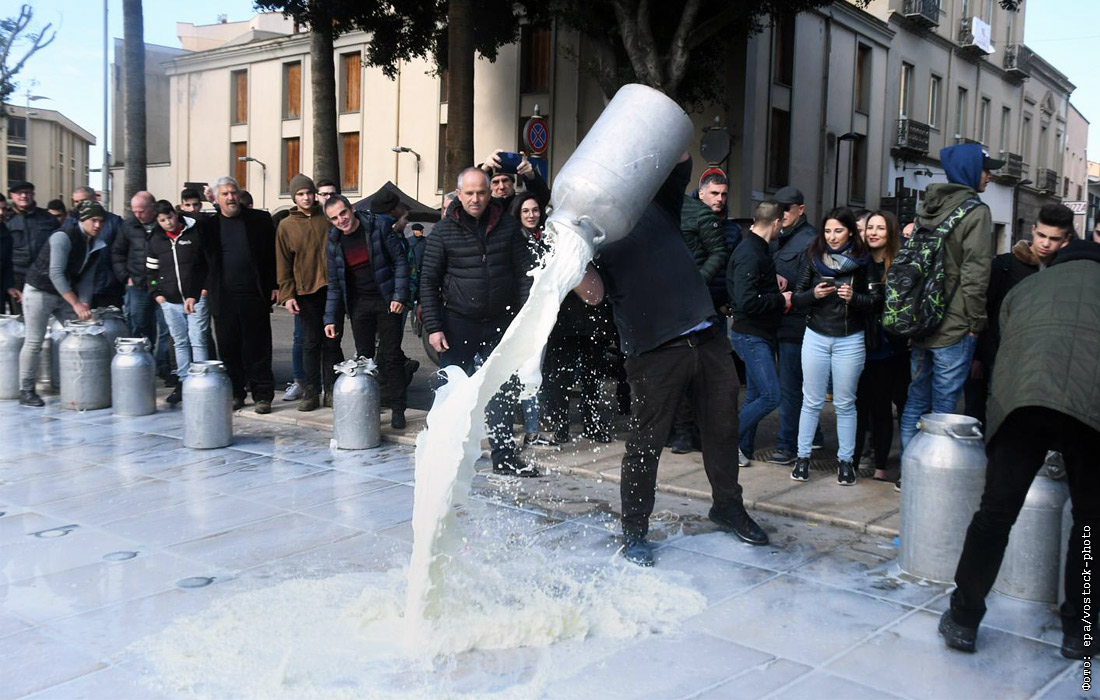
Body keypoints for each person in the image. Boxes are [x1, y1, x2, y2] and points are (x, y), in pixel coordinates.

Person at [584, 154, 768, 567]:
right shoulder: (591, 231)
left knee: (722, 432)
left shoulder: (656, 203)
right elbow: (594, 295)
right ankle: (634, 530)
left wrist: (643, 130)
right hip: (653, 351)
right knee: (646, 445)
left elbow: (678, 155)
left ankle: (727, 507)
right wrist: (569, 254)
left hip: (706, 338)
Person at [938, 238, 1100, 660]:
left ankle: (964, 620)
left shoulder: (1028, 286)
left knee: (995, 513)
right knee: (1090, 523)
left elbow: (1004, 342)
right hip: (1090, 410)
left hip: (1021, 405)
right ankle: (1080, 631)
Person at [420, 167, 534, 473]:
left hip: (500, 322)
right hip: (458, 323)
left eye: (481, 192)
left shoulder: (507, 226)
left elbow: (524, 273)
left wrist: (523, 316)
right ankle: (444, 455)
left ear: (489, 193)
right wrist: (434, 327)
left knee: (502, 389)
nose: (475, 199)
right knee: (452, 393)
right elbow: (428, 281)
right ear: (459, 194)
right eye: (469, 193)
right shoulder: (443, 231)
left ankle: (504, 456)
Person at [898, 144, 997, 451]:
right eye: (986, 170)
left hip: (920, 320)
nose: (989, 176)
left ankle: (910, 468)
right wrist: (975, 323)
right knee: (944, 406)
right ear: (970, 170)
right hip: (954, 325)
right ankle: (933, 471)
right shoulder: (976, 212)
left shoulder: (928, 207)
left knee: (916, 399)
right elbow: (975, 274)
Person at [789, 208, 876, 485]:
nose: (832, 236)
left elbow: (876, 301)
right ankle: (802, 458)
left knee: (845, 403)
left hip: (850, 338)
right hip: (816, 335)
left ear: (850, 231)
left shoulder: (863, 260)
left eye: (838, 230)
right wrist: (813, 294)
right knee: (811, 401)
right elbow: (797, 298)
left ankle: (846, 463)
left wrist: (854, 297)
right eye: (827, 231)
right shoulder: (813, 256)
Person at [965, 203, 1072, 425]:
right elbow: (985, 310)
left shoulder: (1064, 271)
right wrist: (977, 357)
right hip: (994, 354)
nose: (1045, 243)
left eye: (1054, 239)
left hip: (1036, 362)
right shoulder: (1005, 265)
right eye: (1041, 235)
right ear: (1033, 230)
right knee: (978, 416)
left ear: (1066, 239)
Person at [323, 195, 411, 428]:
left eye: (343, 213)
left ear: (351, 209)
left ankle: (398, 409)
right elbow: (334, 283)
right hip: (359, 304)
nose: (341, 220)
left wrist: (399, 296)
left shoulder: (378, 226)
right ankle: (368, 406)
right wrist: (330, 318)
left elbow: (400, 261)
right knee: (364, 359)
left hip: (386, 300)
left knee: (391, 356)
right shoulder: (333, 242)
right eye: (334, 218)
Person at [197, 176, 277, 413]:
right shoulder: (208, 226)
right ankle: (236, 393)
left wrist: (275, 285)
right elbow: (201, 262)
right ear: (216, 198)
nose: (230, 197)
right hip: (224, 297)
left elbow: (272, 256)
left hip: (254, 295)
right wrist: (196, 291)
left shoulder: (260, 220)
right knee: (229, 348)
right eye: (225, 194)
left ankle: (263, 396)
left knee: (258, 348)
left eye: (233, 192)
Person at [17, 201, 109, 407]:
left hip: (65, 294)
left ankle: (81, 384)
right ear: (82, 220)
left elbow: (87, 279)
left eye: (101, 221)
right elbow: (56, 273)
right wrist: (76, 303)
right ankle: (26, 389)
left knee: (83, 331)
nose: (98, 225)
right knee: (34, 341)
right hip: (39, 291)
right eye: (93, 220)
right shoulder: (63, 236)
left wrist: (84, 304)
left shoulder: (96, 243)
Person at [667, 169, 731, 454]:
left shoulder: (709, 219)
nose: (720, 199)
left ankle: (690, 431)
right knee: (675, 369)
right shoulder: (678, 209)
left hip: (702, 306)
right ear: (702, 192)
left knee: (701, 373)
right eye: (715, 193)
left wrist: (699, 282)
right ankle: (679, 430)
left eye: (723, 194)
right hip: (676, 302)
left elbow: (721, 255)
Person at [727, 200, 790, 468]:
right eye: (782, 224)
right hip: (751, 336)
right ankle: (725, 441)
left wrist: (773, 282)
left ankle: (741, 451)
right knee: (770, 396)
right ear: (777, 222)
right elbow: (747, 302)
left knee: (755, 396)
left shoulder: (758, 249)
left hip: (758, 334)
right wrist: (781, 299)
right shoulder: (750, 252)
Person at [276, 174, 345, 411]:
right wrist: (287, 295)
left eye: (308, 193)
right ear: (294, 197)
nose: (305, 198)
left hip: (331, 289)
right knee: (310, 343)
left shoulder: (326, 217)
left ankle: (332, 391)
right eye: (300, 194)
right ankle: (311, 391)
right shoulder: (286, 225)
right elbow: (283, 263)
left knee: (332, 342)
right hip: (305, 292)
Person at [853, 211, 909, 483]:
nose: (873, 233)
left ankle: (881, 466)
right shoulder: (857, 262)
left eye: (880, 228)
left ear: (891, 233)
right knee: (858, 408)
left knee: (883, 409)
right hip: (860, 343)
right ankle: (852, 464)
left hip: (891, 348)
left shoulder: (899, 264)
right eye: (870, 228)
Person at [146, 200, 209, 405]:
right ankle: (183, 381)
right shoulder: (156, 240)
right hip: (170, 300)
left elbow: (206, 263)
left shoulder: (194, 232)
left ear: (176, 213)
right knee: (180, 341)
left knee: (198, 339)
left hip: (196, 298)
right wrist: (157, 294)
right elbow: (151, 272)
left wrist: (204, 289)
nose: (168, 223)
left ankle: (201, 379)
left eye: (170, 217)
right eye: (163, 220)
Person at [508, 192, 557, 449]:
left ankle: (531, 431)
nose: (531, 215)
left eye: (535, 210)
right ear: (518, 214)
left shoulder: (545, 238)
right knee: (515, 373)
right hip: (519, 315)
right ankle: (512, 430)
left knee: (532, 372)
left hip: (541, 314)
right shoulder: (513, 239)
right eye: (526, 211)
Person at [112, 190, 172, 381]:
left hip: (163, 285)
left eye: (142, 211)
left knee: (166, 328)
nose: (138, 215)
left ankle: (164, 365)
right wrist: (125, 277)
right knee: (139, 326)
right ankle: (143, 364)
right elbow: (117, 252)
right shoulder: (128, 226)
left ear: (152, 208)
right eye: (135, 211)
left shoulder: (164, 223)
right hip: (138, 284)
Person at [7, 180, 60, 316]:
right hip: (16, 276)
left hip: (43, 275)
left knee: (44, 316)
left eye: (27, 193)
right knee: (19, 318)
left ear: (33, 194)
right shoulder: (7, 220)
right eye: (19, 193)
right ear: (12, 195)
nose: (24, 196)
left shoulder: (47, 218)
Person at [70, 186, 125, 309]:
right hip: (79, 286)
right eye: (76, 202)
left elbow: (123, 252)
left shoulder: (114, 222)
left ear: (95, 199)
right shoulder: (71, 223)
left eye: (83, 201)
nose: (79, 205)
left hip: (108, 286)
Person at [479, 149, 550, 211]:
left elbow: (542, 198)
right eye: (495, 182)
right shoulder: (483, 208)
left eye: (505, 181)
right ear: (489, 186)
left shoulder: (521, 204)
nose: (501, 187)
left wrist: (531, 176)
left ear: (512, 182)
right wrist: (482, 171)